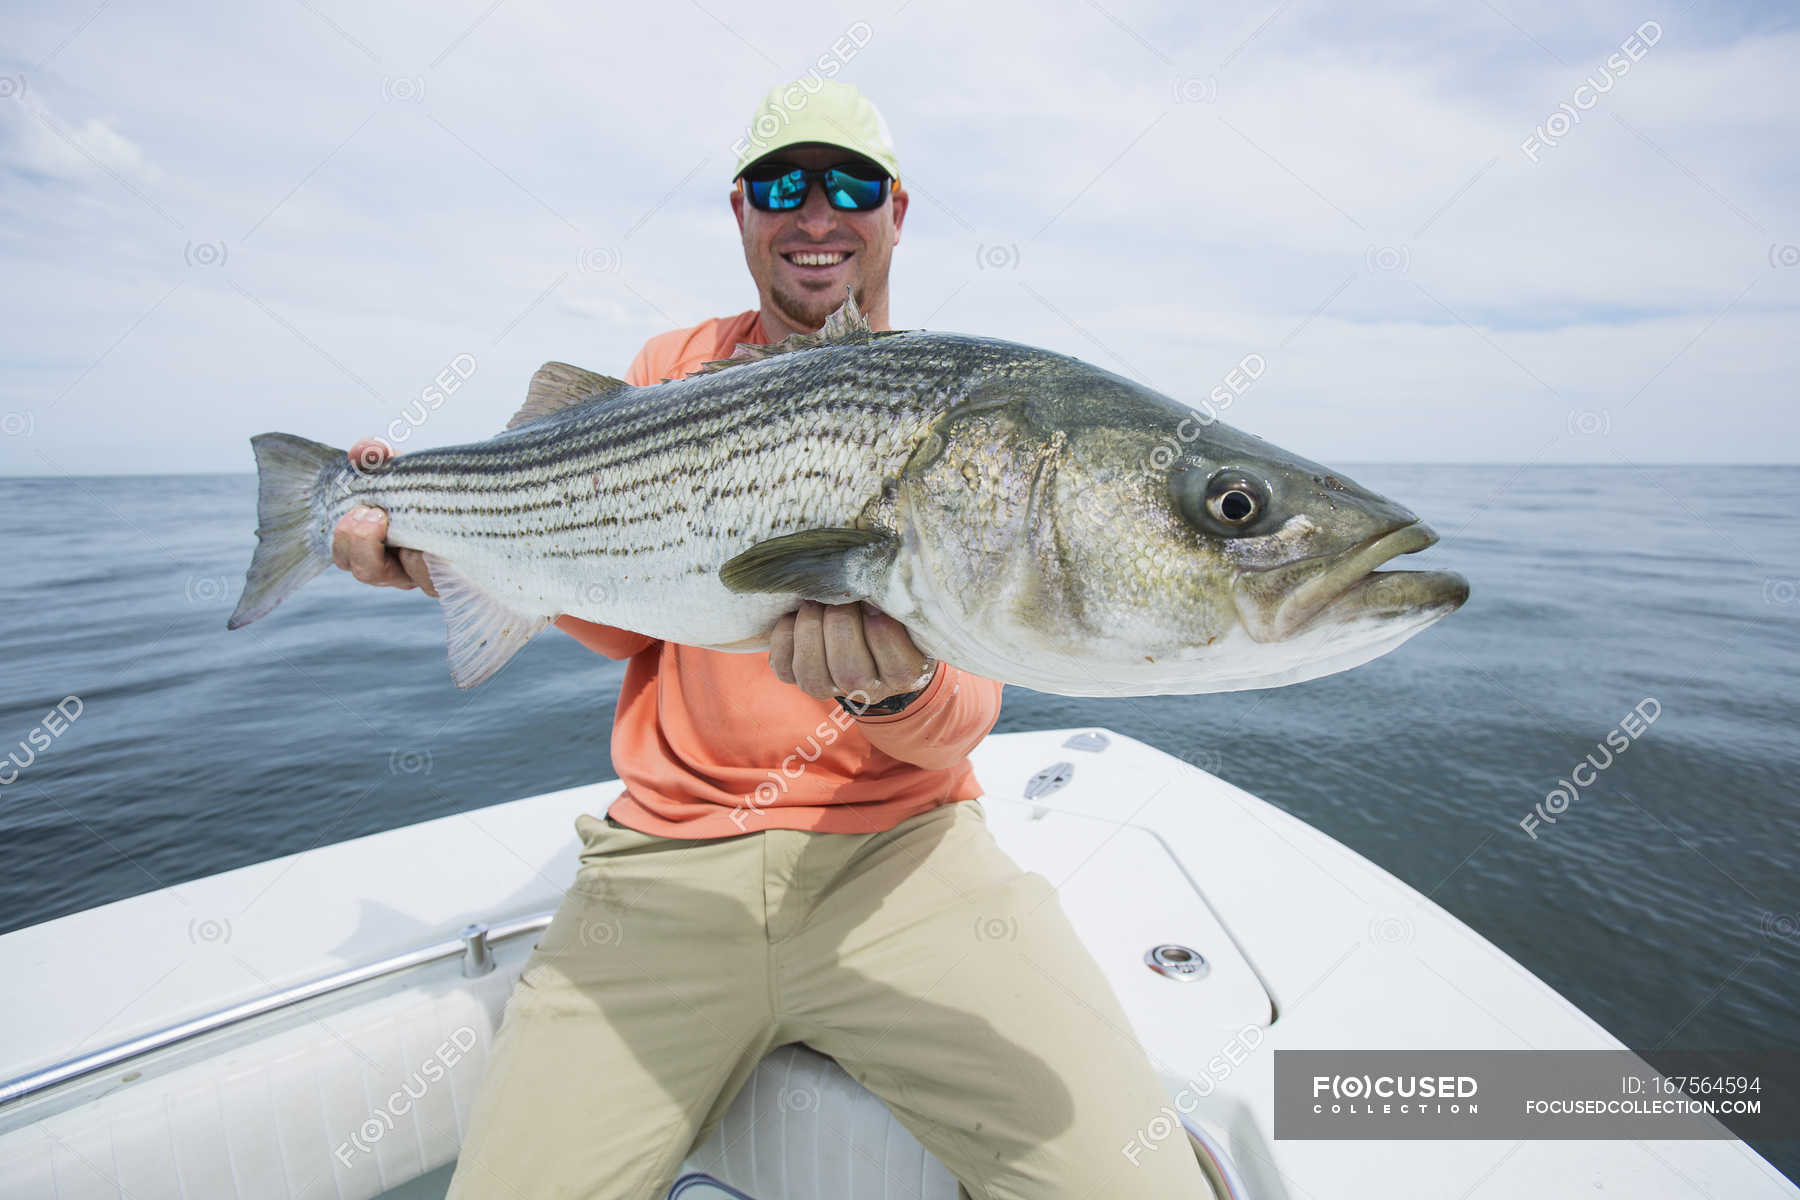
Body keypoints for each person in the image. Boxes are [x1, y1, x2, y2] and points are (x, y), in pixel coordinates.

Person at [331, 81, 1208, 1200]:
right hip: (664, 873)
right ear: (740, 213)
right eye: (782, 186)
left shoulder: (973, 409)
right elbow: (617, 620)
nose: (816, 215)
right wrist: (451, 553)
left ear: (898, 210)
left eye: (849, 185)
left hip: (906, 861)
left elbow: (962, 720)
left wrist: (895, 698)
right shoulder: (672, 365)